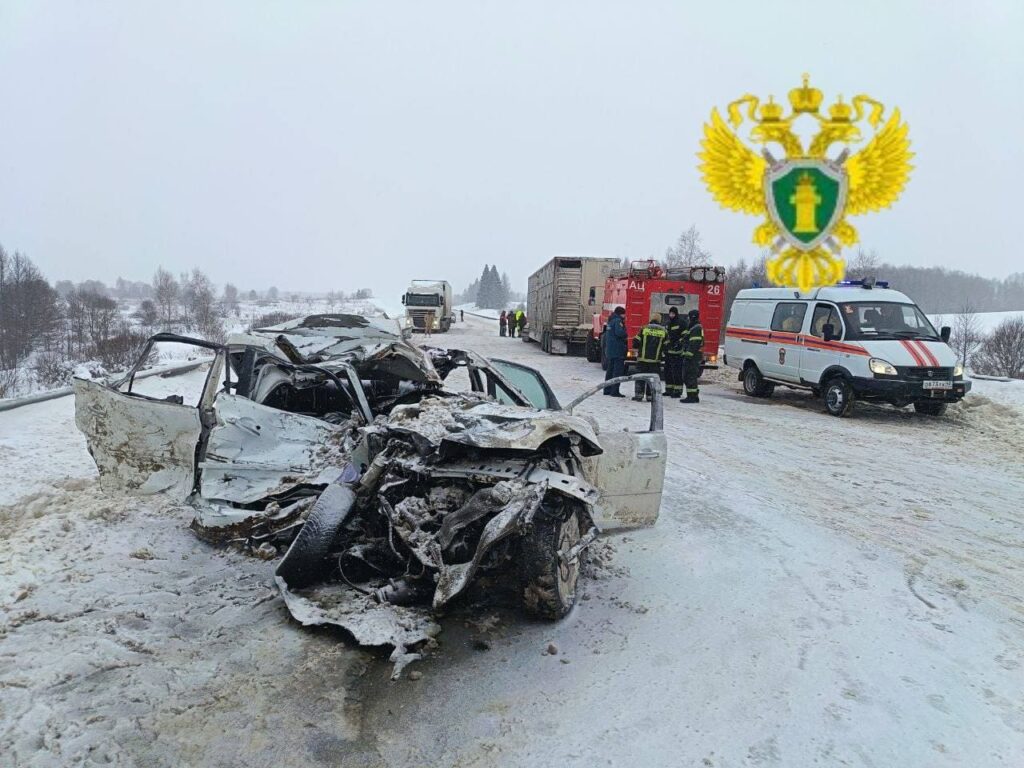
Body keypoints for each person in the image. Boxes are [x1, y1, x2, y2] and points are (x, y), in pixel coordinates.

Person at [632, 314, 668, 402]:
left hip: (642, 359)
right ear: (659, 320)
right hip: (655, 360)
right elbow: (666, 346)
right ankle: (650, 396)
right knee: (652, 379)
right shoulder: (664, 331)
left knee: (640, 377)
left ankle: (639, 395)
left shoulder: (644, 328)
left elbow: (636, 342)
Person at [603, 306, 627, 397]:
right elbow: (619, 333)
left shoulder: (611, 321)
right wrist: (626, 333)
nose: (625, 316)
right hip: (618, 350)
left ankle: (607, 389)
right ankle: (614, 391)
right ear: (621, 314)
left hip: (611, 350)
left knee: (610, 370)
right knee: (617, 371)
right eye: (624, 314)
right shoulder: (618, 321)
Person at [663, 306, 687, 399]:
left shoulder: (681, 323)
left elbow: (685, 336)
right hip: (669, 352)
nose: (671, 315)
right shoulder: (668, 323)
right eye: (670, 313)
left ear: (676, 314)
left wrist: (679, 343)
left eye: (673, 313)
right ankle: (669, 389)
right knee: (668, 371)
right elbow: (666, 336)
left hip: (678, 353)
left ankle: (677, 391)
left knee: (677, 372)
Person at [681, 308, 704, 403]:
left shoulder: (696, 328)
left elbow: (694, 343)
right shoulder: (693, 327)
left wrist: (688, 355)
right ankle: (694, 395)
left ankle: (691, 397)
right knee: (690, 376)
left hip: (692, 357)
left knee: (689, 376)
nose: (688, 319)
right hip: (693, 356)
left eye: (689, 317)